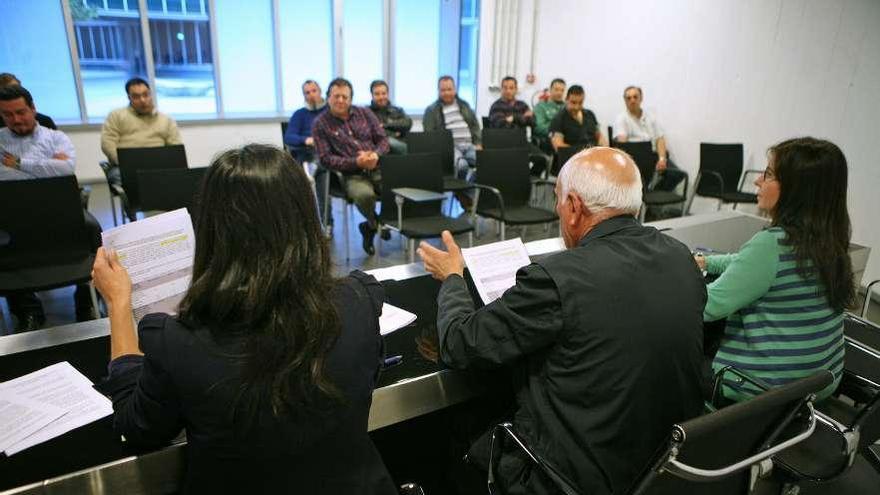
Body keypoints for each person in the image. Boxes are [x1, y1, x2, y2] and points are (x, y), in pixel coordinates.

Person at [91, 144, 397, 495]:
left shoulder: (176, 342)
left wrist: (118, 303)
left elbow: (136, 428)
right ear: (306, 219)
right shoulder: (360, 300)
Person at [418, 147, 706, 494]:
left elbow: (460, 344)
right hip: (662, 470)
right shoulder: (681, 257)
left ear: (573, 207)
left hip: (572, 479)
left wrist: (452, 277)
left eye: (557, 201)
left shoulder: (557, 278)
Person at [696, 137, 855, 402]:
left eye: (768, 174)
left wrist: (668, 281)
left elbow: (705, 306)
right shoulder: (828, 238)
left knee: (667, 356)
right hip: (820, 381)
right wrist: (708, 262)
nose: (757, 181)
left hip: (762, 392)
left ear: (796, 189)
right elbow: (750, 265)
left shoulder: (770, 246)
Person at [0, 85, 99, 330]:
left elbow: (66, 169)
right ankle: (27, 309)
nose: (16, 119)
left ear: (33, 109)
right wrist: (47, 166)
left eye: (21, 112)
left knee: (93, 228)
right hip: (13, 212)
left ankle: (85, 297)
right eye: (8, 114)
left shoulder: (56, 137)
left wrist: (19, 164)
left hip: (58, 208)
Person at [312, 78, 390, 256]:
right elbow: (325, 159)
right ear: (328, 98)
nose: (340, 100)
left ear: (351, 99)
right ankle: (374, 224)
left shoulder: (365, 113)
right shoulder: (320, 123)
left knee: (397, 189)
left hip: (376, 166)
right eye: (336, 96)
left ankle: (372, 226)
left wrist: (375, 154)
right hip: (350, 173)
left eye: (344, 97)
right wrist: (356, 162)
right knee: (364, 195)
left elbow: (383, 139)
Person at [423, 75, 482, 209]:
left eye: (449, 89)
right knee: (461, 165)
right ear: (438, 91)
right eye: (443, 90)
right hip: (450, 147)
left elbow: (475, 126)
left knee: (486, 165)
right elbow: (429, 135)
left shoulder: (464, 105)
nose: (446, 93)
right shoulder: (432, 110)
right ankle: (464, 195)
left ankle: (465, 193)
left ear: (455, 90)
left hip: (469, 145)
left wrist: (478, 143)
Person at [100, 77, 182, 174]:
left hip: (159, 165)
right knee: (120, 176)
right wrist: (124, 163)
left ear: (151, 95)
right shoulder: (116, 116)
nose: (143, 100)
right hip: (127, 166)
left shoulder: (166, 120)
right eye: (136, 97)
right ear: (129, 98)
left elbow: (176, 147)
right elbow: (107, 143)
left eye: (145, 95)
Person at [613, 86, 682, 193]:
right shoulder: (621, 119)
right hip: (638, 159)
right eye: (629, 98)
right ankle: (648, 198)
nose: (632, 100)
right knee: (640, 182)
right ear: (625, 101)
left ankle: (652, 198)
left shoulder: (650, 116)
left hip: (655, 156)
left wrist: (662, 159)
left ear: (641, 98)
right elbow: (623, 144)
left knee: (676, 175)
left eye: (635, 97)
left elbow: (660, 139)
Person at [284, 80, 330, 226]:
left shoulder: (331, 110)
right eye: (307, 92)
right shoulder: (300, 114)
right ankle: (306, 224)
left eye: (314, 91)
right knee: (304, 178)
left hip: (328, 156)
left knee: (322, 175)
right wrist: (306, 140)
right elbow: (289, 137)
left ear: (320, 91)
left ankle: (326, 223)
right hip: (306, 154)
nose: (311, 95)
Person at [488, 76, 550, 176]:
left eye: (511, 88)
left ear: (516, 89)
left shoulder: (522, 105)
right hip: (503, 144)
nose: (508, 91)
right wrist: (522, 118)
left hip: (522, 141)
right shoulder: (496, 106)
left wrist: (513, 118)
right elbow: (501, 125)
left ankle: (529, 179)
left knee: (544, 159)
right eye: (505, 87)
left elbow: (533, 121)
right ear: (501, 89)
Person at [549, 85, 605, 151]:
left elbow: (600, 136)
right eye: (573, 102)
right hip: (574, 157)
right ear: (566, 100)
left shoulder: (590, 114)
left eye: (580, 103)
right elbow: (559, 146)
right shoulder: (558, 119)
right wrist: (582, 153)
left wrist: (603, 146)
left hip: (594, 154)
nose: (577, 107)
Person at [368, 80, 412, 155]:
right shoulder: (366, 112)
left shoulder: (398, 110)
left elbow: (408, 123)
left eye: (384, 93)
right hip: (379, 149)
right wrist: (395, 133)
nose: (381, 97)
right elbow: (372, 133)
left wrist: (385, 125)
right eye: (377, 94)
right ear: (372, 95)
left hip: (400, 145)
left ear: (387, 94)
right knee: (387, 141)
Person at [532, 77, 565, 149]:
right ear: (550, 90)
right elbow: (538, 127)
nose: (559, 93)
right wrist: (557, 131)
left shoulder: (566, 107)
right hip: (548, 140)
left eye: (562, 90)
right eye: (556, 89)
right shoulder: (541, 106)